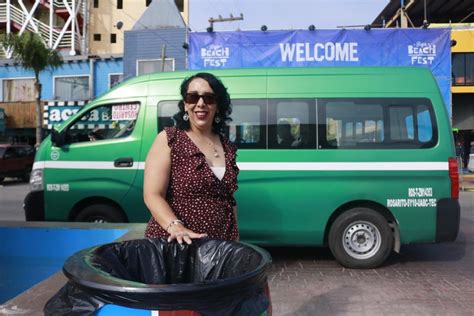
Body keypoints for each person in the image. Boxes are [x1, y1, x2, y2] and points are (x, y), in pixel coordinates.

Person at [143, 73, 239, 244]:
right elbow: (152, 195)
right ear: (185, 104)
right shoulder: (169, 139)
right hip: (174, 244)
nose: (200, 104)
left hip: (217, 246)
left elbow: (229, 201)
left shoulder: (228, 147)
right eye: (193, 97)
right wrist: (175, 227)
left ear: (217, 106)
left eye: (209, 98)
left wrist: (235, 239)